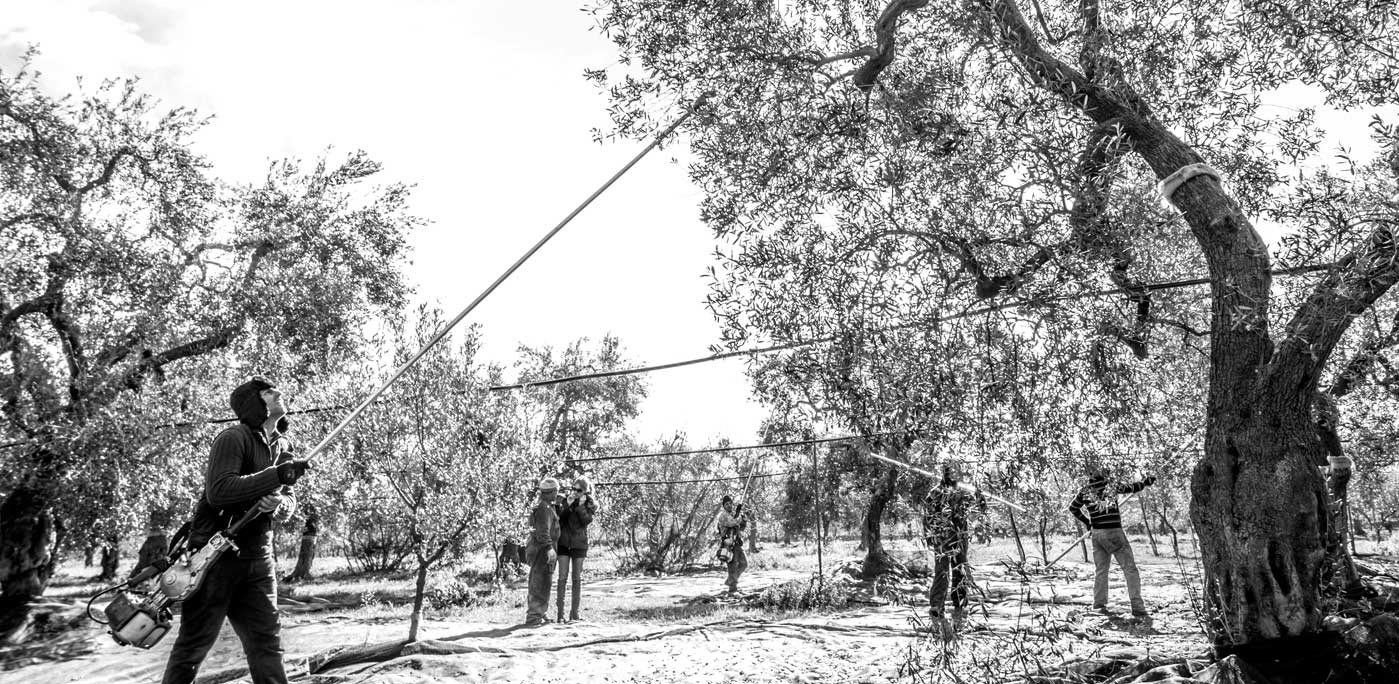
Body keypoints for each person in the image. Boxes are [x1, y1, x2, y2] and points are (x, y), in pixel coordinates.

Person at [163, 377, 310, 684]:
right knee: (193, 647)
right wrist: (274, 477)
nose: (279, 392)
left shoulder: (284, 446)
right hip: (213, 559)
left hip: (258, 560)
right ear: (253, 403)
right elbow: (219, 491)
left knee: (267, 644)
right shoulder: (232, 438)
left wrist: (278, 504)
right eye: (269, 391)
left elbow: (288, 499)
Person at [1068, 468, 1156, 617]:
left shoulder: (1085, 490)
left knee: (1101, 570)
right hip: (1114, 532)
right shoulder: (1110, 485)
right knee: (1130, 569)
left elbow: (1073, 508)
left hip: (1097, 534)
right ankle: (1138, 607)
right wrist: (1146, 482)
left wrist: (1088, 522)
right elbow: (1133, 487)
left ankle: (1099, 605)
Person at [922, 461, 987, 623]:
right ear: (945, 474)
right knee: (942, 571)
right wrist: (930, 537)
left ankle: (960, 603)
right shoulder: (935, 493)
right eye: (950, 473)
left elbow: (977, 510)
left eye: (956, 473)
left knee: (959, 570)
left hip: (959, 538)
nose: (954, 476)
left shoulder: (964, 493)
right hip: (942, 540)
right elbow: (927, 517)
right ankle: (937, 606)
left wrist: (980, 497)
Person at [555, 476, 597, 623]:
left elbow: (586, 521)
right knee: (562, 578)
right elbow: (559, 518)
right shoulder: (566, 501)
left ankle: (575, 613)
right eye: (573, 489)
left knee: (577, 579)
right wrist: (568, 505)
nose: (575, 492)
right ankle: (560, 614)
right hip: (563, 543)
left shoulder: (590, 505)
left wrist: (580, 506)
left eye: (579, 490)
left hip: (579, 544)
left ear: (586, 491)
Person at [524, 477, 561, 626]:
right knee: (540, 582)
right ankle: (534, 617)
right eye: (556, 491)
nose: (557, 494)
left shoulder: (546, 507)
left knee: (544, 582)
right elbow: (543, 532)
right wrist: (549, 549)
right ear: (551, 492)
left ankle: (540, 612)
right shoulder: (543, 509)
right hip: (542, 550)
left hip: (542, 549)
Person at [716, 494, 748, 594]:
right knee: (732, 567)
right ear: (723, 506)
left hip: (737, 543)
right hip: (728, 545)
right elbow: (733, 523)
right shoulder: (723, 516)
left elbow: (740, 527)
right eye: (727, 504)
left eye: (730, 503)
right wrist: (738, 516)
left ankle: (730, 581)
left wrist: (744, 520)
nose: (729, 505)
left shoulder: (733, 514)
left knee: (744, 564)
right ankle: (732, 589)